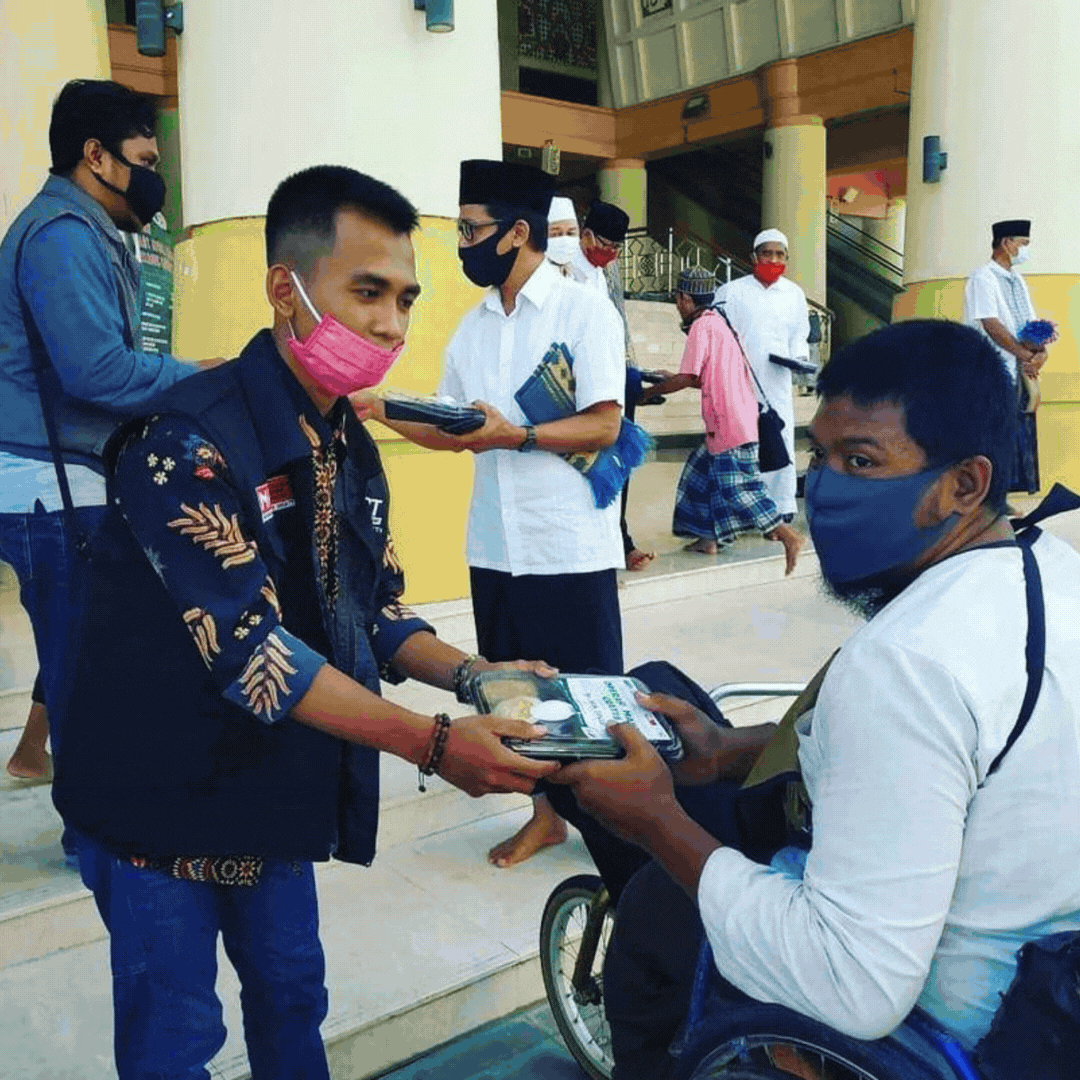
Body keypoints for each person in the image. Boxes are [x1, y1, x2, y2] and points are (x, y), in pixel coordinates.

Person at [51, 165, 561, 1079]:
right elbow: (254, 652)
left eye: (406, 298)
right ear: (284, 288)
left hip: (268, 783)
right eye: (367, 292)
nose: (392, 325)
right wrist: (435, 744)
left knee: (292, 999)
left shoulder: (348, 442)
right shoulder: (183, 441)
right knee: (175, 1041)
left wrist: (477, 676)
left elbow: (376, 607)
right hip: (153, 795)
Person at [552, 319, 1080, 1078]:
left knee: (652, 915)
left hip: (944, 1020)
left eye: (861, 461)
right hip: (1038, 964)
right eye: (819, 455)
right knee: (658, 686)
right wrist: (731, 749)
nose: (825, 488)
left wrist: (657, 821)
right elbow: (954, 753)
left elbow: (853, 985)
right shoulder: (1049, 568)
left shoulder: (906, 662)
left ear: (965, 484)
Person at [370, 160, 627, 869]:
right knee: (515, 697)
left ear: (517, 232)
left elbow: (605, 423)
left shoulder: (584, 311)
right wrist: (376, 408)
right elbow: (453, 430)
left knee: (589, 701)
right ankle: (546, 817)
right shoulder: (472, 329)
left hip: (566, 544)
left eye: (470, 230)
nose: (462, 245)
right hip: (495, 546)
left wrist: (516, 435)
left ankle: (617, 830)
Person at [0, 79, 219, 790]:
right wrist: (196, 376)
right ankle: (95, 824)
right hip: (50, 487)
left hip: (68, 478)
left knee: (84, 645)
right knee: (86, 663)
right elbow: (95, 370)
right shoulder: (60, 237)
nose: (154, 178)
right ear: (96, 156)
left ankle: (53, 769)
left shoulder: (90, 230)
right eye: (144, 161)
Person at [643, 266, 804, 571]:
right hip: (739, 416)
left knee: (737, 488)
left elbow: (688, 376)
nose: (677, 305)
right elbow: (702, 377)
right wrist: (671, 377)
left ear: (685, 298)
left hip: (728, 423)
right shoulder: (720, 322)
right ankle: (708, 538)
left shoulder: (702, 327)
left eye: (678, 299)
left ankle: (787, 535)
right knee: (699, 475)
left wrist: (647, 394)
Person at [546, 196, 654, 571]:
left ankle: (618, 539)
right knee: (584, 465)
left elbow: (615, 321)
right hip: (573, 383)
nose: (611, 254)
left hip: (611, 375)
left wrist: (632, 368)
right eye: (606, 245)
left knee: (616, 461)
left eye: (617, 248)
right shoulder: (560, 270)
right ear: (587, 236)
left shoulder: (603, 271)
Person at [714, 228, 811, 521]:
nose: (774, 260)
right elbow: (716, 333)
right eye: (767, 253)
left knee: (779, 438)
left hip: (777, 380)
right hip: (737, 381)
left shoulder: (794, 294)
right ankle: (742, 507)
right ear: (753, 257)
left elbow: (800, 335)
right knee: (740, 443)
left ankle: (782, 504)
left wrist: (799, 359)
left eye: (780, 254)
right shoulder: (731, 292)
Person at [963, 218, 1050, 494]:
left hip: (1018, 368)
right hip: (994, 368)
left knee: (1019, 429)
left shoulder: (1017, 279)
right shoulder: (983, 277)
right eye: (1023, 243)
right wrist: (1024, 355)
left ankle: (1009, 493)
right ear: (1006, 242)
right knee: (994, 432)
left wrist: (1041, 352)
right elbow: (990, 323)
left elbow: (1030, 323)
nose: (1026, 250)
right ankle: (989, 496)